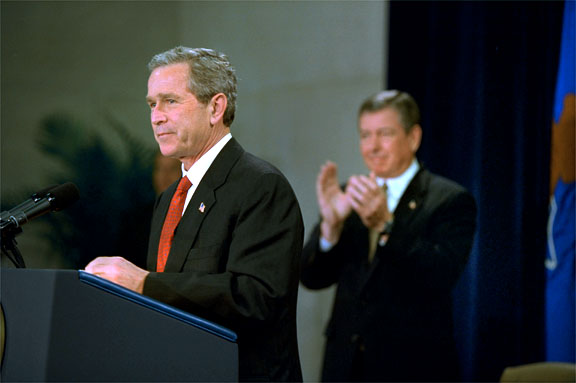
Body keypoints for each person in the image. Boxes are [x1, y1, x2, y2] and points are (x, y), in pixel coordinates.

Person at [85, 46, 304, 382]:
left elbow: (256, 298)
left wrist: (144, 282)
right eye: (151, 104)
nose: (156, 116)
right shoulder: (170, 197)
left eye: (170, 101)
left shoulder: (261, 186)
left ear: (215, 107)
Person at [300, 90, 477, 382]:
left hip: (411, 367)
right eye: (365, 135)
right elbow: (312, 278)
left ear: (413, 138)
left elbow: (440, 275)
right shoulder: (349, 196)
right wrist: (330, 228)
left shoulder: (449, 199)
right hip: (344, 367)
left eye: (385, 134)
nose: (373, 147)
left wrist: (387, 225)